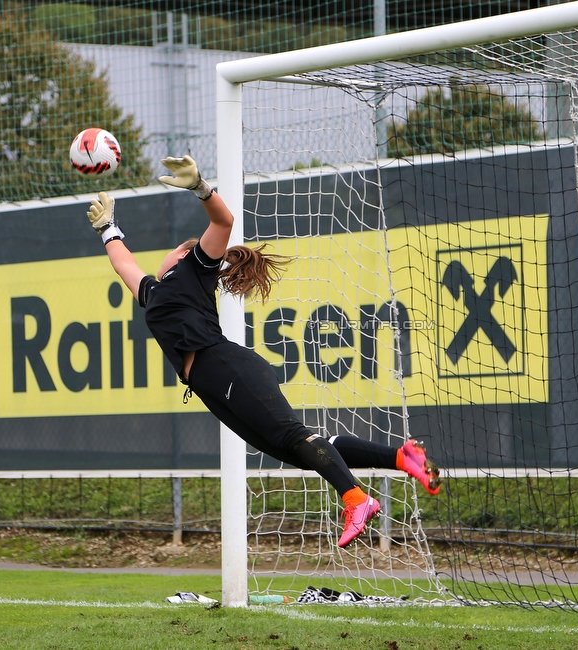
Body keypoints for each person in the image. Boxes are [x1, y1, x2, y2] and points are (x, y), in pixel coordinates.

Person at [87, 154, 441, 548]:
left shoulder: (194, 268)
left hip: (224, 365)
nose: (166, 253)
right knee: (296, 448)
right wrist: (108, 228)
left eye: (174, 248)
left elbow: (223, 222)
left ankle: (356, 498)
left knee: (293, 435)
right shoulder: (155, 291)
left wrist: (200, 187)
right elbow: (124, 265)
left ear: (185, 254)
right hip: (209, 382)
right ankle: (402, 457)